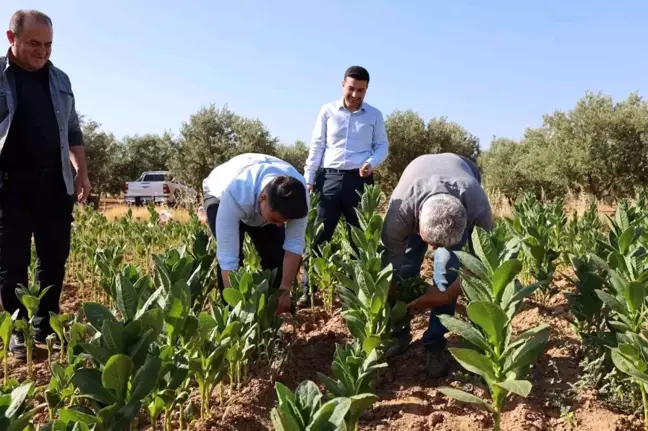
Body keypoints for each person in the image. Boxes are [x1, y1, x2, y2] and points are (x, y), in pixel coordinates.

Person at [1, 10, 90, 359]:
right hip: (10, 186)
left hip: (55, 184)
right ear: (12, 38)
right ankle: (18, 329)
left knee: (55, 258)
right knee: (12, 261)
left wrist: (81, 171)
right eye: (34, 43)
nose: (42, 51)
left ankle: (46, 326)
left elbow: (72, 130)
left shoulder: (61, 80)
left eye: (48, 44)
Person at [381, 153, 492, 378]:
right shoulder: (399, 214)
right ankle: (398, 332)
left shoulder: (478, 208)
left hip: (462, 175)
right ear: (418, 220)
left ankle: (435, 343)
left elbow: (480, 265)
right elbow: (388, 271)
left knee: (448, 269)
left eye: (440, 244)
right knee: (406, 265)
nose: (433, 249)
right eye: (430, 242)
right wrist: (400, 302)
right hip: (417, 177)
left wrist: (447, 295)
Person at [299, 65, 389, 307]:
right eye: (351, 88)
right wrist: (308, 179)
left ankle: (357, 293)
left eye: (361, 90)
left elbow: (382, 146)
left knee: (360, 238)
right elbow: (317, 146)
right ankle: (308, 292)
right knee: (318, 236)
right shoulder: (327, 111)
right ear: (343, 85)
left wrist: (371, 163)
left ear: (367, 89)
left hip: (360, 181)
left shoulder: (375, 115)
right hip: (328, 179)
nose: (355, 94)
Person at [202, 153, 309, 314]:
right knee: (233, 257)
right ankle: (231, 314)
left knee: (275, 256)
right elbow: (228, 259)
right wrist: (239, 310)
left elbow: (294, 245)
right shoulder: (235, 194)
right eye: (275, 219)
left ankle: (271, 314)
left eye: (285, 221)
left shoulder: (299, 198)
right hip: (219, 193)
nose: (280, 225)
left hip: (261, 194)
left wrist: (285, 289)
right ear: (263, 198)